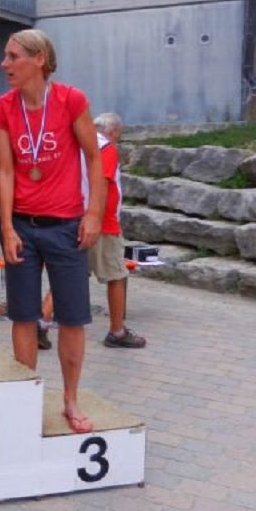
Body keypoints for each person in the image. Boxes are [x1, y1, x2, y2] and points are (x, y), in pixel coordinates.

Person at [0, 29, 104, 434]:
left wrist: (94, 214)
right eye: (5, 56)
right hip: (23, 226)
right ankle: (26, 402)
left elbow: (94, 158)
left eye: (13, 56)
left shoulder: (71, 100)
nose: (4, 64)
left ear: (39, 59)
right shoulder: (3, 108)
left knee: (71, 319)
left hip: (67, 227)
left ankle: (70, 400)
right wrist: (6, 227)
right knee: (23, 316)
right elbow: (6, 171)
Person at [88, 112, 147, 349]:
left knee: (72, 275)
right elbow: (103, 184)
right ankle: (117, 331)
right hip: (102, 223)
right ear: (113, 131)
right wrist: (99, 219)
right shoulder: (106, 148)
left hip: (78, 217)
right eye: (118, 135)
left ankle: (42, 323)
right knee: (117, 276)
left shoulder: (83, 145)